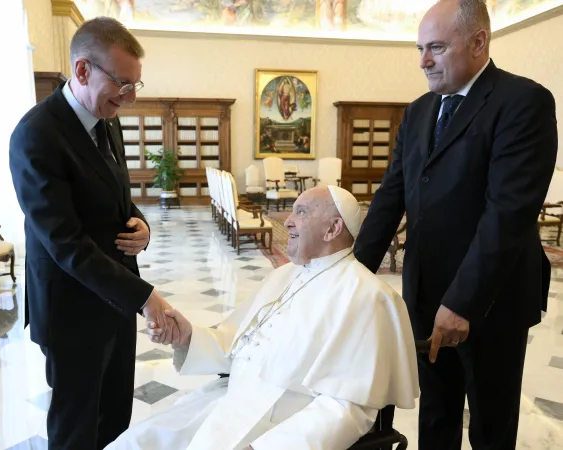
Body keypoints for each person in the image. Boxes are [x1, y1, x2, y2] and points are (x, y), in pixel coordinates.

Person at [353, 1, 558, 449]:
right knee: (436, 411)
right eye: (421, 49)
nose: (424, 60)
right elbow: (391, 196)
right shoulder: (419, 110)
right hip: (425, 294)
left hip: (491, 301)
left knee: (490, 423)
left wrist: (463, 302)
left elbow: (507, 213)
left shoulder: (524, 102)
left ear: (479, 42)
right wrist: (349, 275)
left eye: (437, 48)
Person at [107, 186, 420, 450]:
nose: (288, 221)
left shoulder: (368, 296)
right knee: (131, 443)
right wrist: (187, 337)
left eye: (301, 212)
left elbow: (347, 409)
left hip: (280, 424)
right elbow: (237, 344)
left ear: (333, 228)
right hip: (229, 399)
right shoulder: (284, 275)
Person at [9, 17, 177, 450]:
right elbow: (65, 243)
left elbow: (114, 194)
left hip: (113, 302)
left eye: (136, 84)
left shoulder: (108, 117)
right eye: (123, 83)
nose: (131, 97)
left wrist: (139, 223)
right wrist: (144, 295)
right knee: (75, 427)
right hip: (71, 311)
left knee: (115, 415)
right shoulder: (36, 136)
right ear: (82, 70)